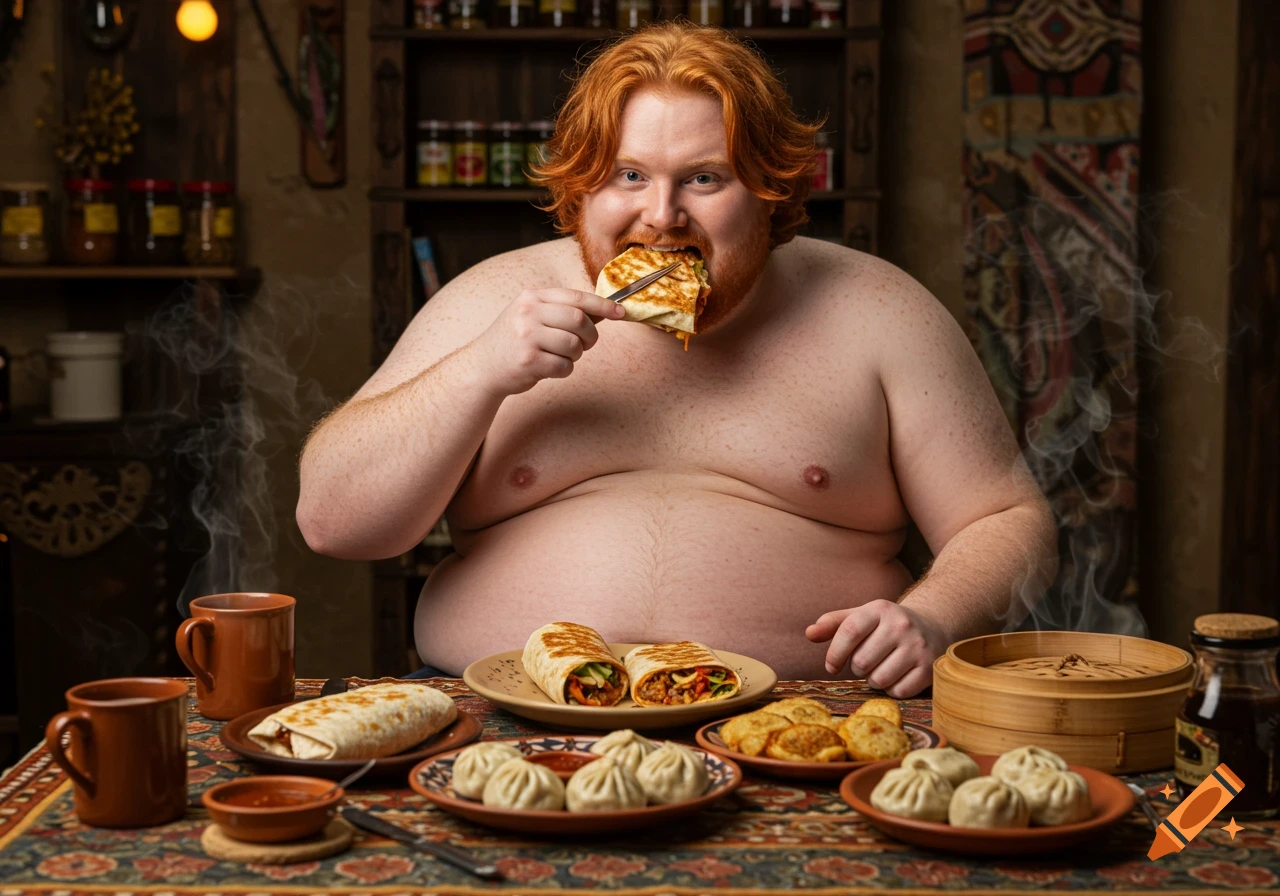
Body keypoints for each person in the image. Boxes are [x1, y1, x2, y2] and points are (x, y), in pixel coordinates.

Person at [297, 23, 1057, 697]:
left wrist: (933, 614)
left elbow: (1010, 519)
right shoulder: (489, 301)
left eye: (704, 178)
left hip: (808, 721)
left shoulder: (881, 310)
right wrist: (480, 369)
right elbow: (334, 524)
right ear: (583, 186)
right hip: (498, 711)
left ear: (767, 190)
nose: (660, 217)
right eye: (628, 175)